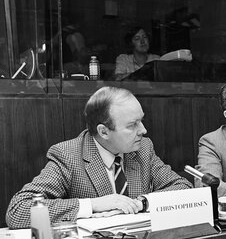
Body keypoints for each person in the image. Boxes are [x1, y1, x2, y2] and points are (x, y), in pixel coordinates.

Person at [6, 86, 191, 229]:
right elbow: (18, 210)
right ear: (104, 131)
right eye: (132, 125)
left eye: (141, 120)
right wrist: (94, 205)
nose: (143, 130)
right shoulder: (68, 155)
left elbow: (182, 187)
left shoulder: (143, 148)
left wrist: (142, 202)